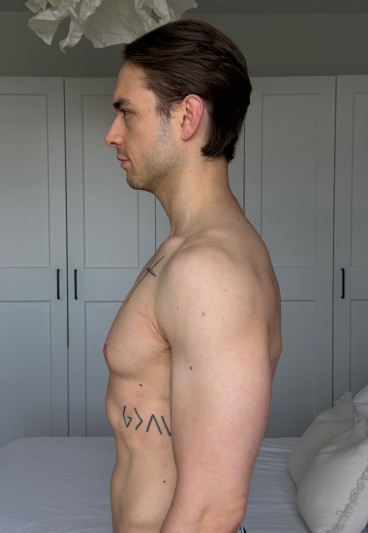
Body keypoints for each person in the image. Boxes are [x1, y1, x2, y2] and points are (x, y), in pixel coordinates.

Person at [103, 19, 281, 533]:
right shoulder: (191, 248)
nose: (112, 134)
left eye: (127, 112)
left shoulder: (209, 269)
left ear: (187, 117)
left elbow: (214, 509)